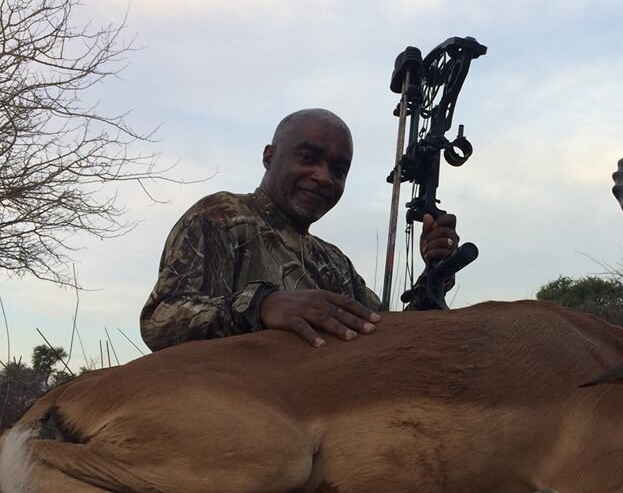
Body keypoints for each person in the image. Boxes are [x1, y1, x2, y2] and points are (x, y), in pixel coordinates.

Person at [140, 108, 459, 352]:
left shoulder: (334, 262)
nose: (323, 177)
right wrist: (260, 306)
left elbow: (380, 337)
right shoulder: (221, 217)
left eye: (338, 169)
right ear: (269, 156)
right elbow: (160, 320)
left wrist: (435, 275)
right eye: (307, 158)